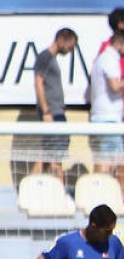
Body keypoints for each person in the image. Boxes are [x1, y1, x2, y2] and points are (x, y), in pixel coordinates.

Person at [89, 29, 124, 185]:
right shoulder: (110, 60)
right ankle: (102, 194)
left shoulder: (102, 59)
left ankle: (107, 194)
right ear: (119, 43)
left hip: (106, 116)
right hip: (108, 119)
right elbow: (115, 86)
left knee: (112, 160)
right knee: (109, 161)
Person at [32, 28, 77, 181]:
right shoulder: (45, 57)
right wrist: (46, 112)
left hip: (55, 112)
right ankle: (60, 193)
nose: (71, 49)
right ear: (61, 40)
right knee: (55, 157)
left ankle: (31, 189)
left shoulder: (51, 58)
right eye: (70, 45)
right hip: (52, 113)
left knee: (47, 154)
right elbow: (38, 83)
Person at [96, 7, 124, 124]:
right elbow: (115, 83)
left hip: (121, 109)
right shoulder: (111, 52)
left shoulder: (117, 51)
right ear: (120, 25)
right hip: (115, 113)